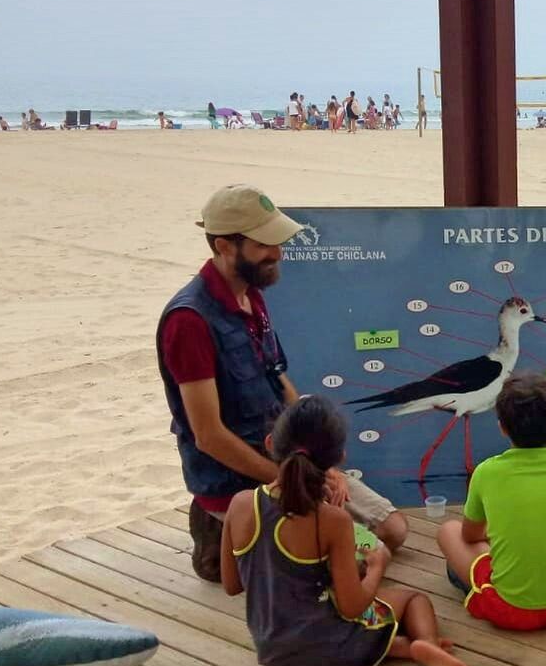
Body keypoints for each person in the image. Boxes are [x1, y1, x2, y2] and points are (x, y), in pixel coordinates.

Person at [157, 184, 407, 582]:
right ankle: (225, 535)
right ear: (224, 246)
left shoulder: (251, 295)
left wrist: (317, 462)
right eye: (264, 244)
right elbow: (208, 436)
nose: (278, 254)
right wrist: (288, 476)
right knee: (359, 561)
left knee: (394, 531)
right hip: (239, 480)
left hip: (288, 460)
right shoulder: (189, 322)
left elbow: (277, 377)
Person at [221, 396, 470, 666]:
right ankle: (426, 646)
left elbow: (232, 584)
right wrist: (378, 566)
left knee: (343, 614)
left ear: (271, 443)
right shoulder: (331, 519)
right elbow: (352, 607)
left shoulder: (240, 504)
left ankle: (403, 647)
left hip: (273, 650)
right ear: (339, 458)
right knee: (413, 600)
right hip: (329, 648)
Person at [435, 374, 546, 630]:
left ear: (502, 426)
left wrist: (501, 534)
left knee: (448, 531)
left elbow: (470, 536)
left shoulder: (486, 472)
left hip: (509, 611)